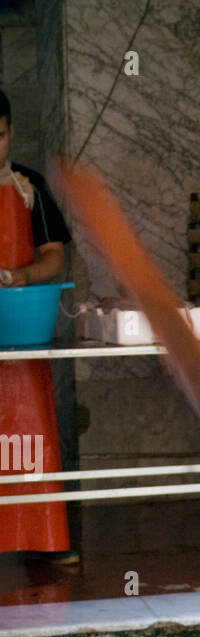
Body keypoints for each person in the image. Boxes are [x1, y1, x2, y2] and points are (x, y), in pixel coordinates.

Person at [0, 88, 76, 566]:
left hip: (20, 331)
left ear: (9, 133)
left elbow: (55, 256)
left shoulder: (29, 187)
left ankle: (43, 537)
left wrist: (20, 277)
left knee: (28, 435)